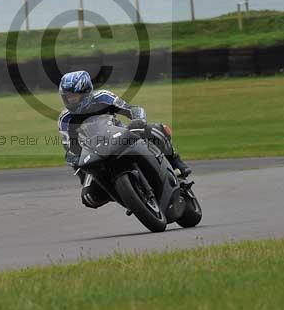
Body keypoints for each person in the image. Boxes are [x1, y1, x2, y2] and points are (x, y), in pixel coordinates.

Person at [57, 70, 191, 209]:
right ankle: (126, 196)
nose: (70, 100)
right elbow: (71, 149)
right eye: (67, 97)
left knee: (155, 129)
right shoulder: (65, 119)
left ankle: (175, 161)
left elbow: (132, 109)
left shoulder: (103, 97)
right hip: (96, 152)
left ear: (86, 91)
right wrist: (81, 172)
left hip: (121, 136)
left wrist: (138, 121)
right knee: (89, 197)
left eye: (74, 96)